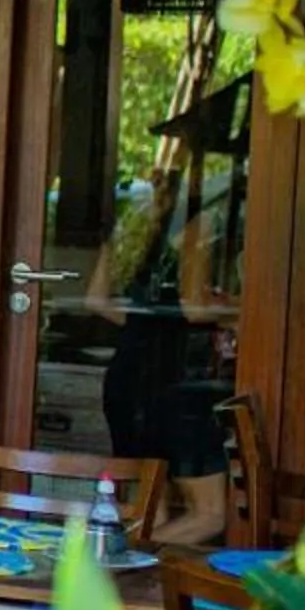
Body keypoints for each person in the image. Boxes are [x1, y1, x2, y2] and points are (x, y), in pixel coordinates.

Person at [91, 166, 235, 546]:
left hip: (126, 382)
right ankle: (117, 562)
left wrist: (150, 327)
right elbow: (192, 309)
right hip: (174, 383)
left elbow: (97, 301)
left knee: (155, 506)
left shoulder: (133, 232)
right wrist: (241, 308)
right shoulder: (197, 227)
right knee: (210, 513)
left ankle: (135, 588)